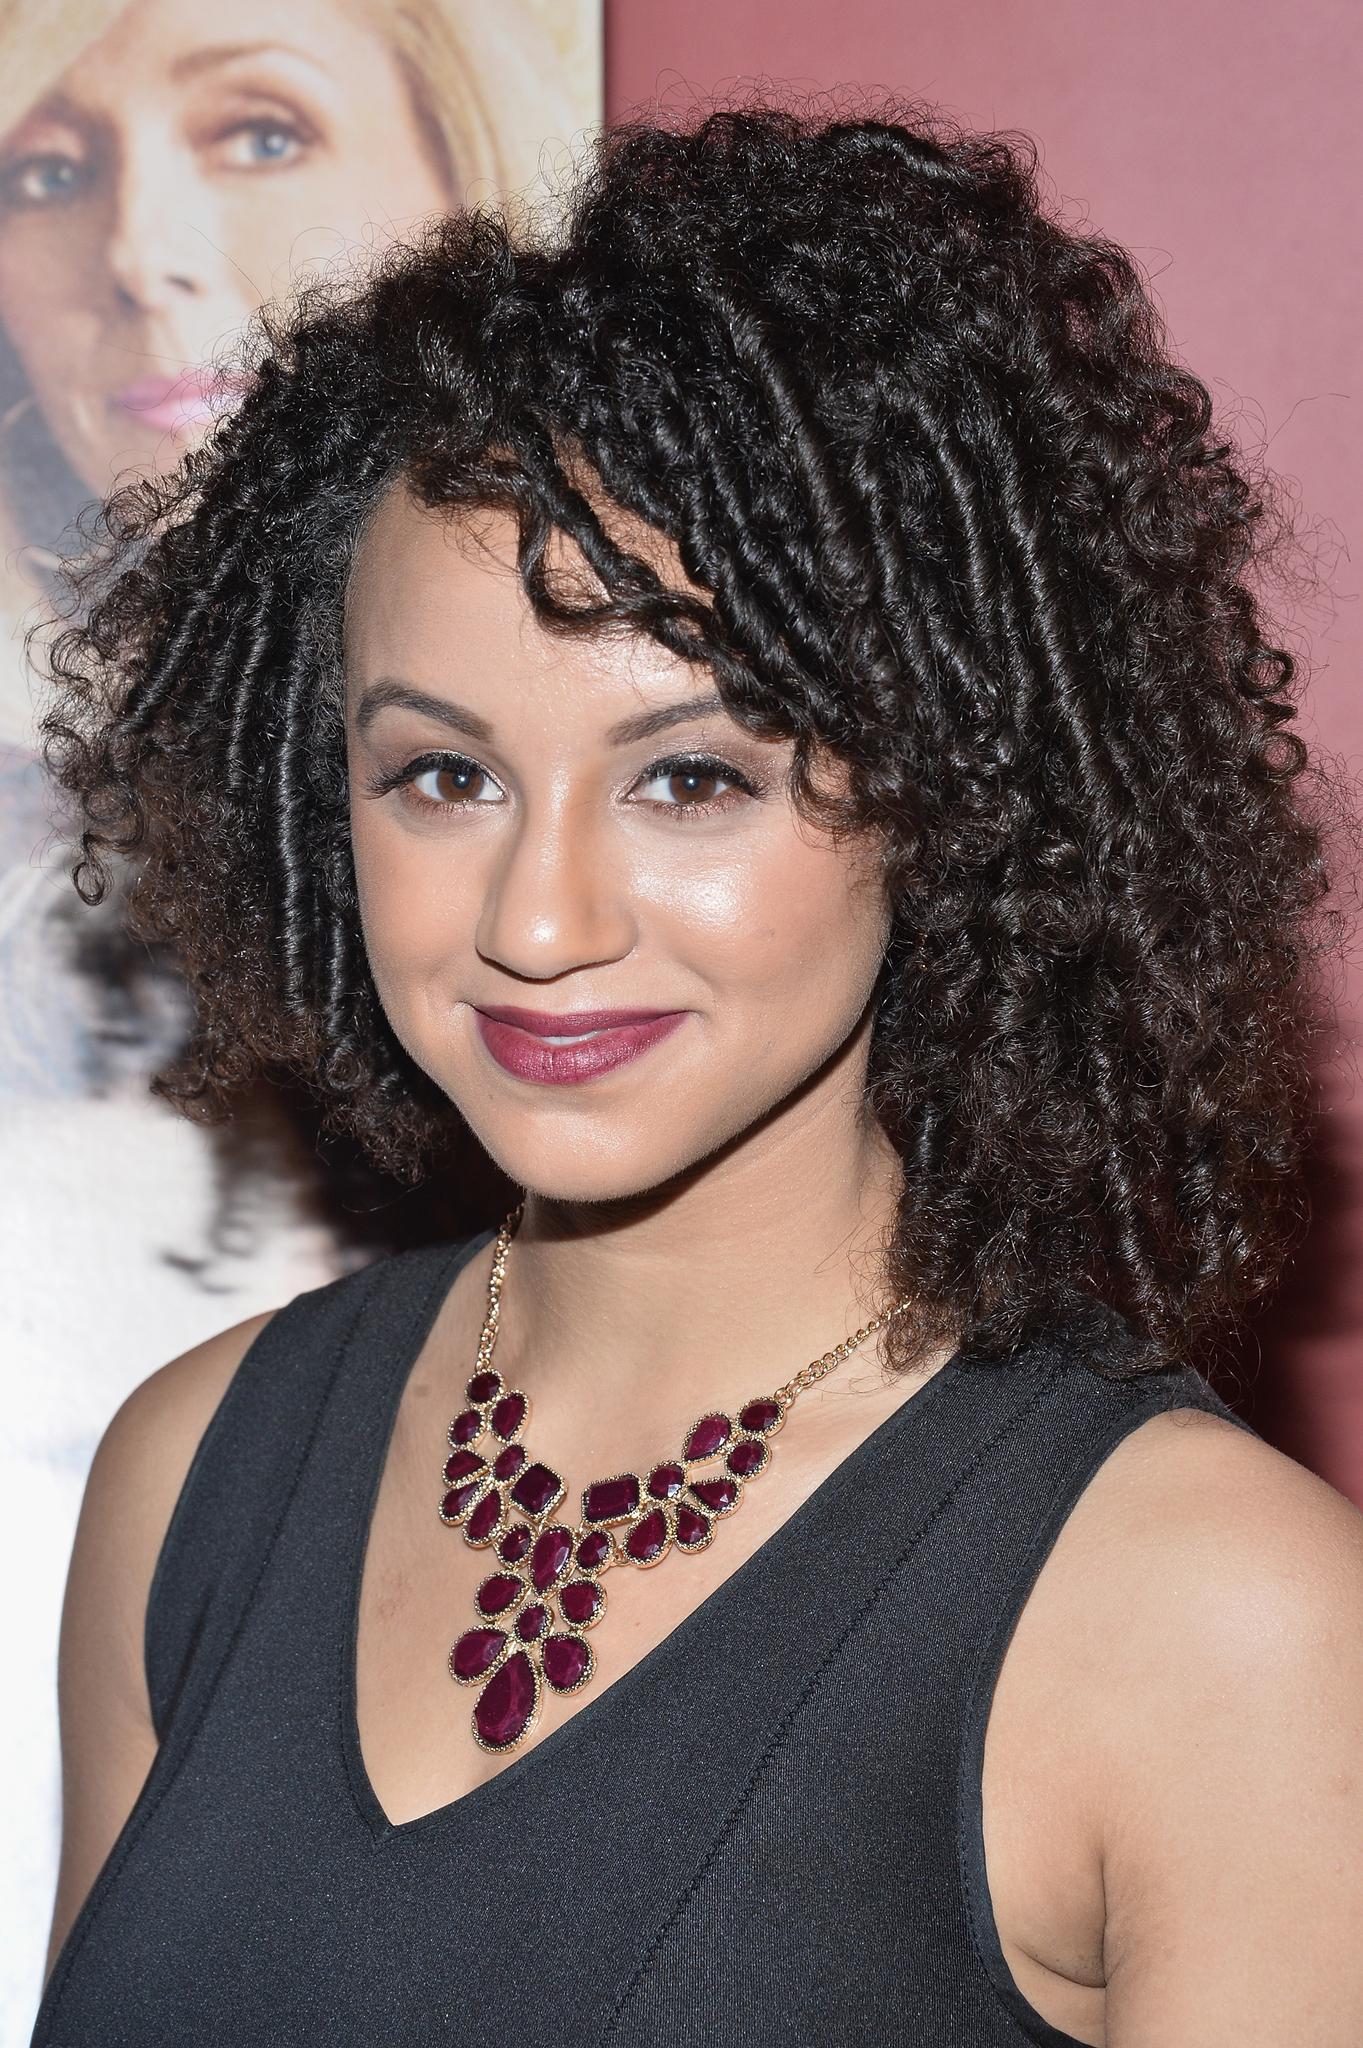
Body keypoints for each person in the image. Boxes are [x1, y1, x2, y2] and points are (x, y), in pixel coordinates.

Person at [28, 101, 1363, 2046]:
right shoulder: (195, 1477)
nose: (538, 917)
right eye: (442, 773)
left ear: (949, 794)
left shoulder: (1216, 1618)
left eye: (689, 777)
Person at [0, 1, 595, 2025]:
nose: (144, 253)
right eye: (45, 167)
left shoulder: (1184, 1597)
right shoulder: (197, 1470)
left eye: (258, 130)